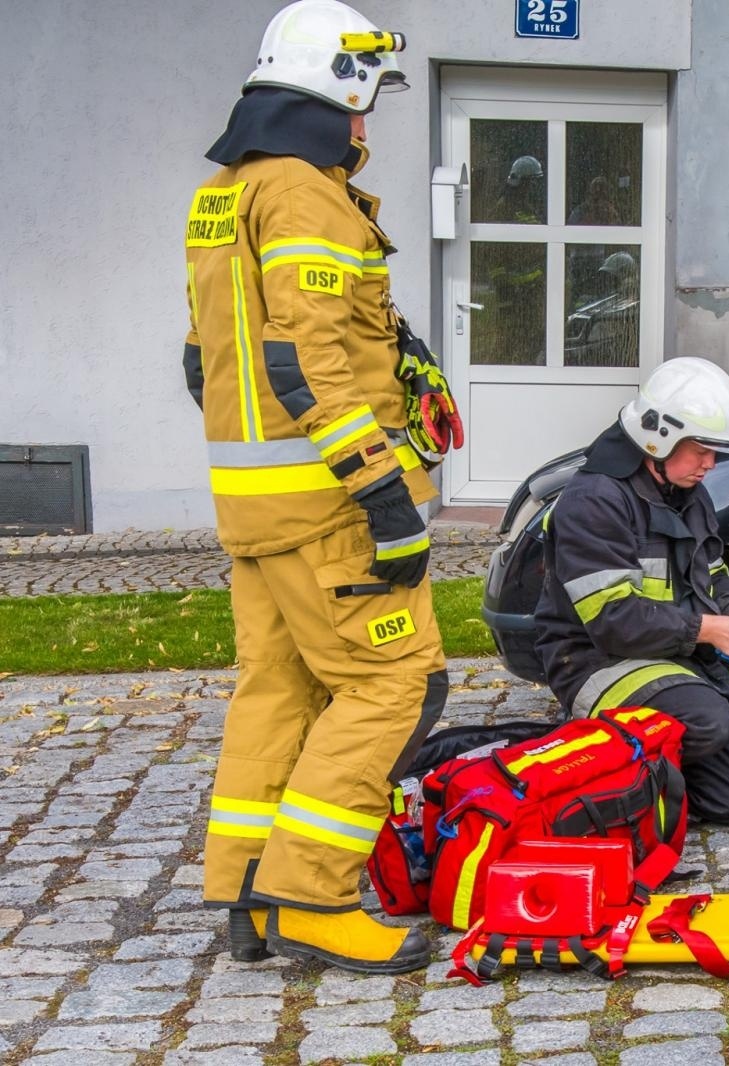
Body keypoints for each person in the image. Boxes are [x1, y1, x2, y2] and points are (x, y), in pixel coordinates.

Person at [183, 0, 448, 974]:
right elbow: (304, 358)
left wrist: (403, 356)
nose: (367, 124)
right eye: (367, 99)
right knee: (394, 684)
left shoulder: (223, 192)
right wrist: (383, 494)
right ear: (336, 86)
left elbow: (205, 357)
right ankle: (314, 894)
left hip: (256, 507)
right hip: (330, 505)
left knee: (278, 690)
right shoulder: (304, 193)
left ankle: (247, 892)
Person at [532, 358, 729, 824]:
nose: (711, 463)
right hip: (593, 660)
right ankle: (588, 776)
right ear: (657, 436)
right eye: (701, 449)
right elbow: (612, 622)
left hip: (661, 655)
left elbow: (712, 578)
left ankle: (637, 782)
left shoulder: (687, 494)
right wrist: (707, 629)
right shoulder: (595, 500)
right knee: (711, 720)